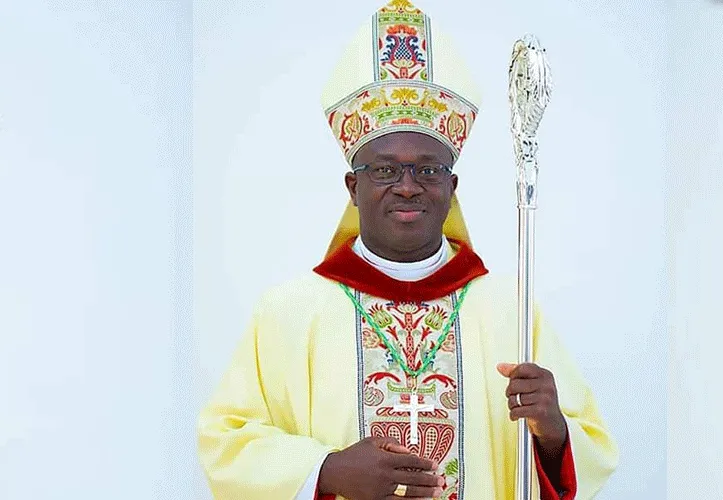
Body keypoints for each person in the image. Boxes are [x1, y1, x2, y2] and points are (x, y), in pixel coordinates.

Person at [196, 1, 618, 499]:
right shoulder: (289, 312)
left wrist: (553, 433)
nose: (408, 186)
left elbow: (588, 453)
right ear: (353, 187)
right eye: (385, 170)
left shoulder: (511, 311)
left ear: (451, 184)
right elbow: (225, 445)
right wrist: (326, 471)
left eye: (428, 169)